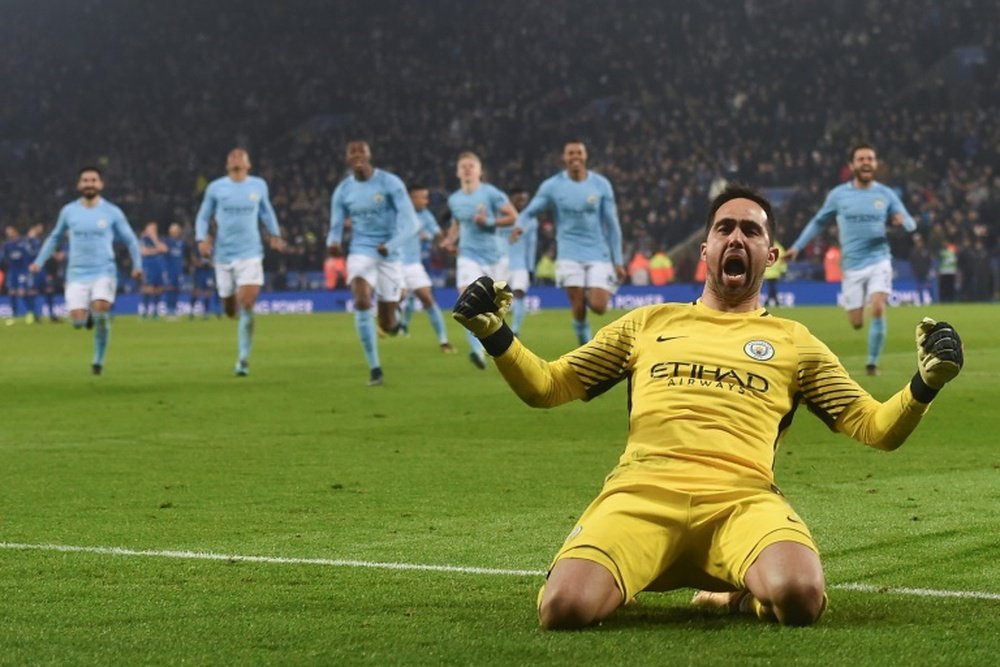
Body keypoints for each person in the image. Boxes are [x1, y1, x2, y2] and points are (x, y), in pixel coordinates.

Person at [451, 183, 963, 630]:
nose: (736, 237)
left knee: (800, 598)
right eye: (724, 229)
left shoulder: (794, 342)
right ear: (706, 248)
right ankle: (608, 575)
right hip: (641, 496)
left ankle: (733, 595)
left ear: (770, 255)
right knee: (562, 610)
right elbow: (549, 385)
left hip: (741, 502)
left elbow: (875, 427)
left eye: (750, 231)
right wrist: (496, 335)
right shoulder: (646, 323)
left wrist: (924, 384)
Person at [786, 144, 916, 376]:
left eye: (870, 158)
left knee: (878, 308)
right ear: (852, 165)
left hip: (879, 259)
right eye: (861, 158)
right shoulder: (839, 195)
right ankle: (863, 306)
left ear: (875, 164)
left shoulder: (886, 194)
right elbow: (818, 221)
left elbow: (910, 222)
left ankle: (872, 363)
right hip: (852, 265)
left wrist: (903, 223)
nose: (866, 162)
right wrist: (797, 246)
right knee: (856, 322)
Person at [30, 166, 143, 375]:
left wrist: (137, 265)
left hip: (104, 270)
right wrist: (39, 261)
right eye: (85, 180)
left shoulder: (112, 212)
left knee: (101, 307)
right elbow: (55, 237)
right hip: (76, 273)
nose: (89, 184)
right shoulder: (69, 211)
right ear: (79, 185)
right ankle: (87, 315)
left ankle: (98, 361)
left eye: (93, 180)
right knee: (77, 322)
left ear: (101, 184)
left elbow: (130, 239)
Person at [326, 140, 420, 386]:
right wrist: (333, 242)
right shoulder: (343, 190)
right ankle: (375, 369)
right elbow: (335, 226)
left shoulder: (390, 183)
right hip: (361, 250)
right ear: (347, 158)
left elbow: (412, 224)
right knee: (361, 299)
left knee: (387, 325)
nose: (357, 154)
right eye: (351, 151)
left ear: (369, 155)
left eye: (361, 151)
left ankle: (394, 317)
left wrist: (391, 245)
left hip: (390, 253)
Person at [514, 141, 624, 345]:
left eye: (579, 152)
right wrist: (519, 225)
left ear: (585, 156)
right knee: (577, 303)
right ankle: (586, 347)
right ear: (564, 158)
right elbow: (531, 210)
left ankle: (596, 287)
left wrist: (618, 260)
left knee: (599, 306)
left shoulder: (601, 185)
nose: (575, 156)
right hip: (568, 253)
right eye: (570, 153)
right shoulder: (552, 186)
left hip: (598, 253)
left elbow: (612, 224)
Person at [195, 148, 285, 376]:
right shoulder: (216, 188)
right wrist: (201, 238)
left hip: (251, 254)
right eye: (231, 156)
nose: (236, 157)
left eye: (240, 155)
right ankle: (232, 309)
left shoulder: (258, 185)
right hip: (223, 256)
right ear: (227, 165)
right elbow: (203, 216)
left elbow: (266, 211)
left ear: (248, 163)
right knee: (229, 308)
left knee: (246, 303)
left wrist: (274, 234)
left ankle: (243, 359)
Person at [440, 151, 518, 368]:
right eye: (463, 166)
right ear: (457, 171)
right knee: (466, 301)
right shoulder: (454, 199)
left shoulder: (491, 193)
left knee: (494, 310)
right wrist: (449, 240)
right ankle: (477, 351)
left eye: (471, 166)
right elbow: (457, 224)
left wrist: (489, 221)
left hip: (495, 256)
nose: (467, 169)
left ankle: (499, 347)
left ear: (479, 171)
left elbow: (513, 216)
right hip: (468, 255)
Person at [397, 184, 455, 353]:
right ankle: (391, 323)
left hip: (414, 264)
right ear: (411, 198)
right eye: (423, 197)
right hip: (396, 264)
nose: (426, 201)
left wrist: (444, 243)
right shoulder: (397, 213)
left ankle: (443, 341)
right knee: (398, 298)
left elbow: (436, 234)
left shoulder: (425, 215)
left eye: (426, 197)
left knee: (428, 300)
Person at [505, 187, 536, 337]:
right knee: (495, 298)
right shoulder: (502, 218)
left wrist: (530, 268)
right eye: (518, 199)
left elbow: (532, 246)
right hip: (501, 263)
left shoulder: (530, 220)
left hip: (520, 265)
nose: (521, 202)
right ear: (510, 200)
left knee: (519, 293)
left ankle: (515, 330)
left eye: (523, 200)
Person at [139, 221, 167, 319]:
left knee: (158, 289)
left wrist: (155, 239)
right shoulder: (143, 239)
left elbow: (164, 249)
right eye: (151, 228)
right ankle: (144, 313)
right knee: (147, 288)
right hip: (148, 266)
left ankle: (155, 313)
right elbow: (144, 252)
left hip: (158, 266)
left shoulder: (159, 239)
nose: (153, 230)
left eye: (154, 229)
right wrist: (156, 250)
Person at [163, 222, 186, 319]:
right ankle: (169, 310)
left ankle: (174, 309)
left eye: (176, 231)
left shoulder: (181, 243)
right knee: (170, 289)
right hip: (169, 270)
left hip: (178, 270)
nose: (175, 232)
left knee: (176, 290)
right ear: (170, 232)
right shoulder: (167, 242)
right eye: (173, 231)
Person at [762, 240, 787, 307]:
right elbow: (783, 260)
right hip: (775, 272)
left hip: (767, 271)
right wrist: (783, 270)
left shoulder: (765, 246)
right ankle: (774, 301)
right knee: (772, 287)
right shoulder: (779, 247)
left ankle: (769, 301)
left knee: (771, 287)